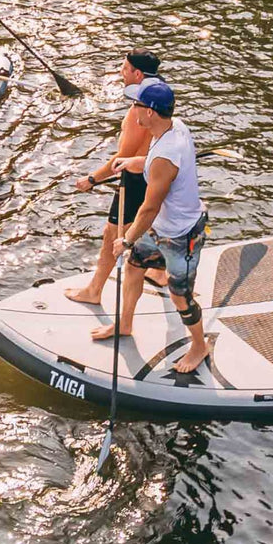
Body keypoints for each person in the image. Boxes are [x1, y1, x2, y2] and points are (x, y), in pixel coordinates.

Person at [93, 81, 211, 376]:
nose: (133, 111)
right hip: (159, 228)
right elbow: (156, 166)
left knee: (180, 296)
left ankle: (199, 346)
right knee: (134, 268)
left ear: (152, 113)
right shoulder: (174, 127)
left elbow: (149, 208)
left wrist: (127, 240)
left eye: (138, 106)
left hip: (181, 235)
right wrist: (134, 161)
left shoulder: (164, 156)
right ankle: (125, 323)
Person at [66, 50, 169, 304]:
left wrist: (92, 179)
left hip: (135, 179)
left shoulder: (139, 111)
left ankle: (94, 291)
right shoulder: (162, 94)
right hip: (157, 172)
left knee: (112, 236)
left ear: (137, 74)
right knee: (156, 225)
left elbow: (123, 157)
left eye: (124, 69)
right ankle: (159, 272)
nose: (120, 74)